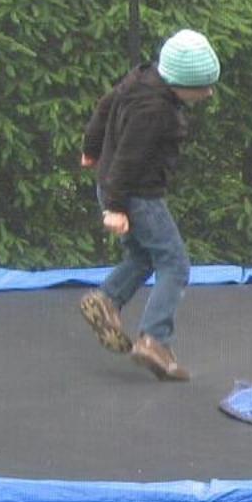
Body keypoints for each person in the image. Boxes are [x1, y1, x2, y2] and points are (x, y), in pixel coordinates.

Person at [76, 29, 220, 381]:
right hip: (135, 196)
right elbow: (129, 157)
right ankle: (154, 339)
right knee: (174, 263)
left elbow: (105, 106)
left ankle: (108, 299)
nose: (208, 93)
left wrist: (91, 148)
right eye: (202, 87)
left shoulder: (139, 79)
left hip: (113, 185)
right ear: (180, 83)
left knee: (142, 256)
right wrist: (114, 207)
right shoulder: (157, 113)